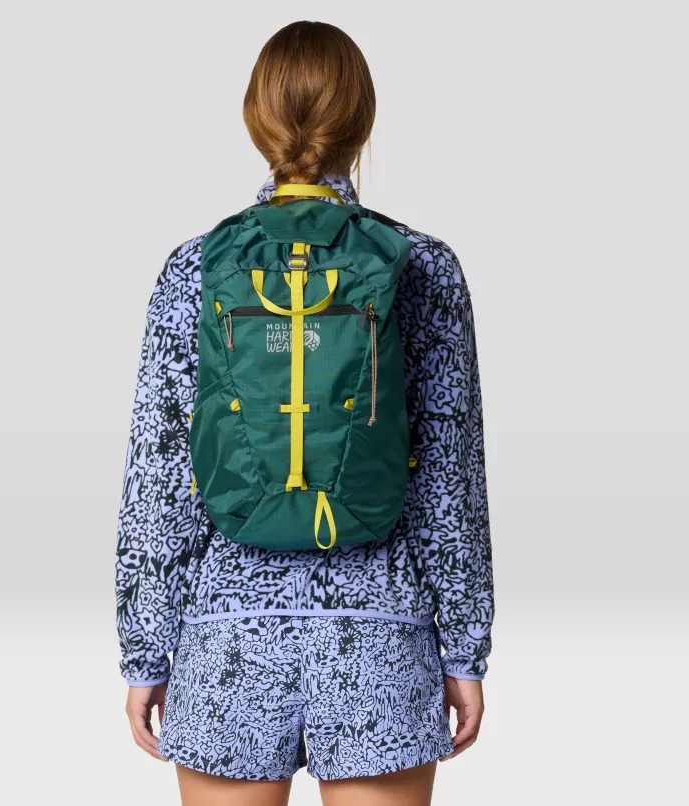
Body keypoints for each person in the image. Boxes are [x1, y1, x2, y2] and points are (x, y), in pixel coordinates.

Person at [114, 20, 494, 806]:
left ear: (255, 120)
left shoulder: (198, 267)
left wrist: (146, 651)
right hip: (380, 633)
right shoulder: (422, 265)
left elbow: (160, 477)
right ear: (362, 120)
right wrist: (464, 650)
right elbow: (448, 479)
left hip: (226, 638)